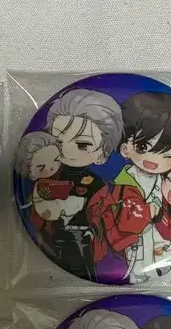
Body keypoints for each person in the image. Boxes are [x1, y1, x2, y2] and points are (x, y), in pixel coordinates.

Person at [96, 92, 171, 282]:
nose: (153, 158)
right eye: (143, 147)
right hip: (132, 245)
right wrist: (146, 211)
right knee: (137, 270)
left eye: (166, 153)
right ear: (125, 148)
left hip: (160, 242)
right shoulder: (123, 184)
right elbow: (123, 219)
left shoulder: (168, 181)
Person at [43, 88, 124, 280]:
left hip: (82, 239)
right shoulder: (48, 174)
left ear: (102, 155)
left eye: (82, 145)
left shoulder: (97, 185)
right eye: (58, 141)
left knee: (84, 268)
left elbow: (107, 218)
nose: (65, 150)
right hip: (52, 236)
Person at [15, 130, 82, 232]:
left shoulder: (64, 174)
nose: (51, 168)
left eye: (57, 160)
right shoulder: (35, 188)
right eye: (41, 167)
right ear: (29, 171)